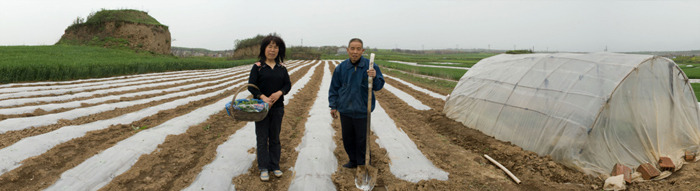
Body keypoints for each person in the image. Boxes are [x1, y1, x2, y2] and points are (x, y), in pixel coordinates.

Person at [328, 38, 385, 169]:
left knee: (362, 140)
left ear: (362, 51)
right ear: (348, 50)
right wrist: (333, 105)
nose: (355, 52)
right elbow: (334, 88)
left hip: (362, 110)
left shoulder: (370, 66)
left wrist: (375, 76)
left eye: (358, 49)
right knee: (348, 139)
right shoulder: (341, 68)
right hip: (346, 110)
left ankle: (364, 163)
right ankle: (353, 160)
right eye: (352, 49)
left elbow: (378, 86)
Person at [247, 35, 291, 181]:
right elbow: (251, 86)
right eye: (270, 46)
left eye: (276, 47)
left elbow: (287, 85)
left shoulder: (282, 67)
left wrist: (280, 93)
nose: (272, 50)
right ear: (264, 49)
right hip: (261, 109)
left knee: (275, 137)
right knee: (262, 138)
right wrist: (262, 97)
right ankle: (263, 167)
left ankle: (275, 166)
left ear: (279, 50)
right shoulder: (258, 67)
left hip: (277, 108)